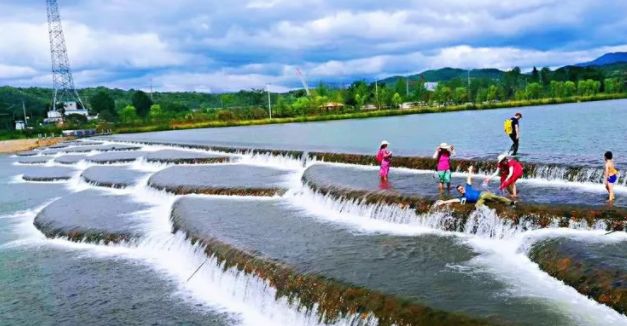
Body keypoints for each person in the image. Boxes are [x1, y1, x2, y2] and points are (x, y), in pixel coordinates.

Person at [434, 166, 515, 208]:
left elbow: (469, 178)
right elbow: (454, 200)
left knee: (496, 197)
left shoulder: (468, 188)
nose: (461, 190)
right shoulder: (463, 198)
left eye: (461, 188)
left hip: (483, 194)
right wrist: (444, 202)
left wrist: (470, 170)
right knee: (477, 207)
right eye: (459, 190)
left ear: (464, 188)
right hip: (480, 200)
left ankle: (511, 202)